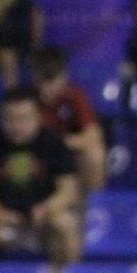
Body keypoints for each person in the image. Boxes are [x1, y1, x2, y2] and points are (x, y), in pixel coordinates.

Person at [0, 87, 82, 273]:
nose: (17, 125)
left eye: (24, 119)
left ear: (37, 117)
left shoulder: (53, 142)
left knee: (65, 223)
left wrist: (47, 209)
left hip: (42, 223)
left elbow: (68, 188)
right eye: (10, 119)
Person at [29, 45, 107, 192]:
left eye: (52, 80)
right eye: (41, 81)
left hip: (65, 151)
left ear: (64, 75)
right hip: (36, 154)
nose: (46, 87)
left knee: (95, 154)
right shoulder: (27, 99)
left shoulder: (75, 97)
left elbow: (93, 136)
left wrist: (60, 143)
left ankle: (94, 206)